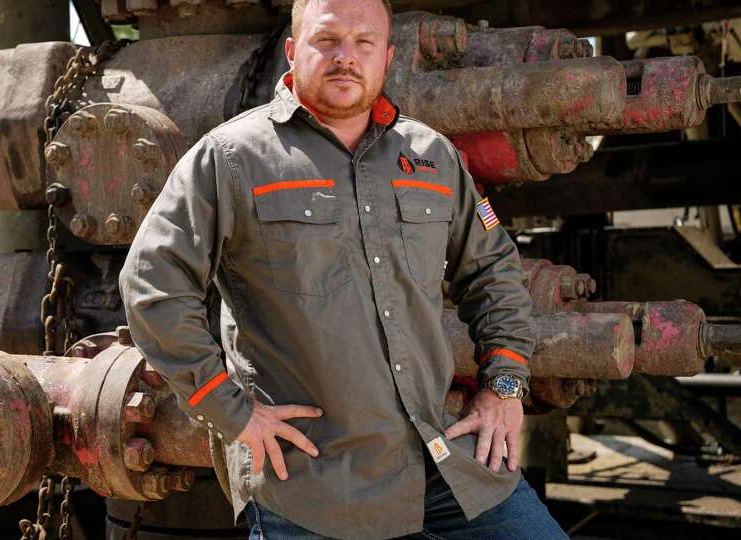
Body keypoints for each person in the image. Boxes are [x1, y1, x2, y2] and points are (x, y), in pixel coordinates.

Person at [119, 0, 569, 538]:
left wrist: (505, 387)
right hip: (313, 487)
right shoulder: (232, 158)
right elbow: (152, 284)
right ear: (292, 51)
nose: (345, 58)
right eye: (326, 40)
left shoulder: (433, 157)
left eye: (364, 43)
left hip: (448, 465)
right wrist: (229, 409)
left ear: (387, 56)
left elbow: (494, 271)